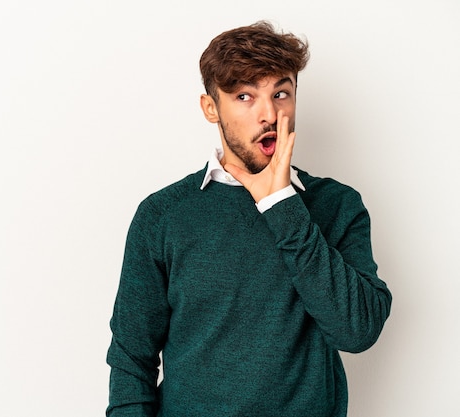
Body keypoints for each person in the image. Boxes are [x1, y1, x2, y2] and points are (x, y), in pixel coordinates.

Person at [106, 21, 392, 417]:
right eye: (244, 96)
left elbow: (357, 331)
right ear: (211, 108)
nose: (269, 114)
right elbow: (131, 359)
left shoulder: (337, 205)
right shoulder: (163, 215)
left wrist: (281, 203)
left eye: (281, 93)